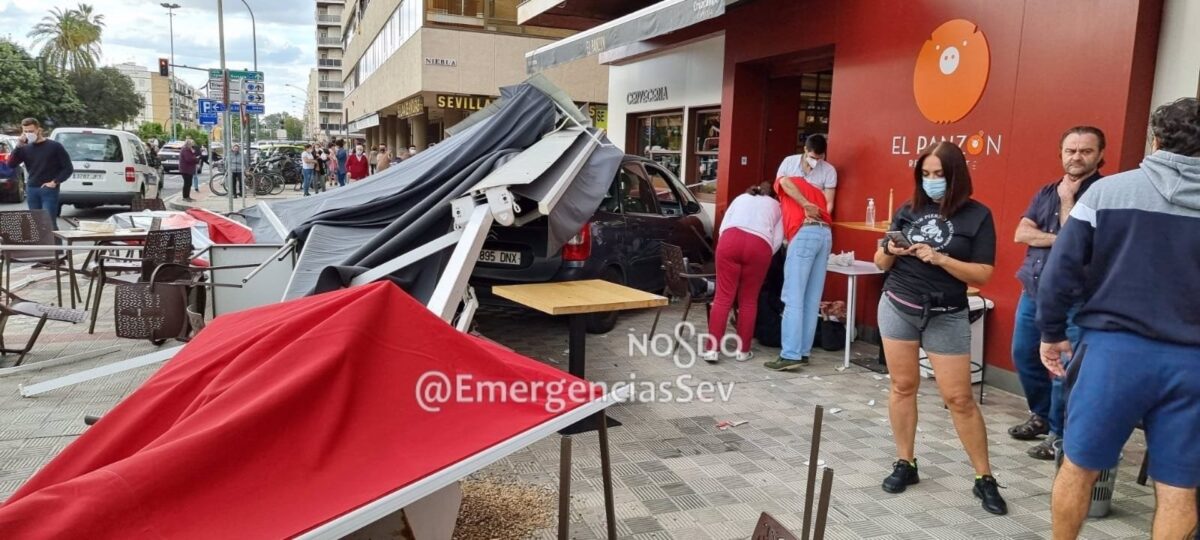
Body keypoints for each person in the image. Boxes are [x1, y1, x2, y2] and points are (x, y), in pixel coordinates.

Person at [1038, 98, 1200, 540]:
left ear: (1156, 140)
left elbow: (1060, 272)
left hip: (1114, 353)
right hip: (1193, 364)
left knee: (1079, 468)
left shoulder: (1108, 193)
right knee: (1179, 488)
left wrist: (1051, 333)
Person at [873, 141, 1005, 515]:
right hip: (899, 304)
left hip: (947, 312)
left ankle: (984, 478)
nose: (932, 182)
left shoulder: (977, 216)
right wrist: (890, 249)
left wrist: (941, 258)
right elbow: (880, 262)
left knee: (959, 398)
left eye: (939, 175)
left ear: (956, 176)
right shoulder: (907, 210)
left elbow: (983, 273)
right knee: (902, 386)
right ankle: (905, 462)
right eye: (926, 175)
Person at [1008, 126, 1105, 460]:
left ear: (1099, 155)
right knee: (1023, 355)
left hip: (1075, 299)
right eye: (1070, 150)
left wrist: (1066, 204)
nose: (1076, 157)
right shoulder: (1046, 190)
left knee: (1063, 369)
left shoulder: (1102, 194)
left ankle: (1059, 435)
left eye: (1085, 151)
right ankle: (1040, 414)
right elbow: (1021, 233)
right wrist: (1059, 237)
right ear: (1061, 153)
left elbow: (1078, 247)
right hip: (1034, 289)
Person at [699, 182, 784, 363]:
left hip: (730, 240)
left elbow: (723, 227)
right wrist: (765, 254)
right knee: (748, 300)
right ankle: (743, 350)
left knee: (722, 298)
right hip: (759, 246)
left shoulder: (740, 198)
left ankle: (712, 350)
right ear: (772, 195)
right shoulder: (777, 206)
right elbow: (777, 239)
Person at [763, 173, 831, 371]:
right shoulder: (817, 190)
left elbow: (783, 182)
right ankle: (803, 352)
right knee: (811, 299)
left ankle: (790, 354)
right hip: (825, 235)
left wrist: (804, 204)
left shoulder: (785, 181)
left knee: (793, 297)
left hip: (804, 233)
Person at [6, 118, 73, 226]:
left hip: (49, 190)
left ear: (38, 130)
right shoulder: (24, 148)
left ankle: (54, 243)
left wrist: (55, 182)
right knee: (36, 224)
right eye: (25, 131)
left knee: (49, 223)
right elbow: (10, 164)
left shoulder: (55, 146)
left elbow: (68, 168)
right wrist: (18, 146)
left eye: (31, 131)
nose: (28, 134)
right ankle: (40, 243)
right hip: (32, 188)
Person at [777, 134, 837, 213]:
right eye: (812, 157)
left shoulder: (829, 170)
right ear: (805, 149)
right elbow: (779, 187)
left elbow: (829, 203)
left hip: (815, 212)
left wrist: (823, 218)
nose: (815, 161)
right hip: (790, 210)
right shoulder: (789, 162)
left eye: (819, 158)